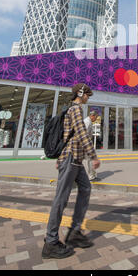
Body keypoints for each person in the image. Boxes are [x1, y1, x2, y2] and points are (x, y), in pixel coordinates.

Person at [42, 83, 101, 260]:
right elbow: (82, 134)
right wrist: (93, 156)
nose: (88, 98)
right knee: (61, 198)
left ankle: (74, 231)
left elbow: (70, 136)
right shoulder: (76, 110)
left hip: (74, 160)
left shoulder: (75, 110)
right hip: (71, 159)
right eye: (87, 95)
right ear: (80, 93)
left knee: (86, 188)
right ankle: (51, 242)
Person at [83, 110, 99, 181]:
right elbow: (84, 134)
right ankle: (91, 176)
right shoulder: (87, 122)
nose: (96, 119)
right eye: (96, 117)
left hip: (86, 143)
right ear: (93, 116)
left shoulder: (89, 121)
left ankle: (92, 175)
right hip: (85, 144)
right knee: (90, 159)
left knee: (89, 159)